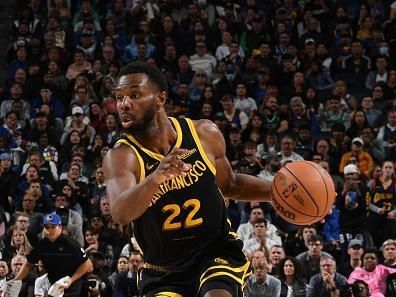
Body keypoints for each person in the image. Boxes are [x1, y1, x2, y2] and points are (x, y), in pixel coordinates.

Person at [103, 62, 279, 297]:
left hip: (214, 253)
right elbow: (121, 213)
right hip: (164, 269)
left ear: (160, 99)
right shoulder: (121, 156)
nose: (124, 104)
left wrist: (278, 193)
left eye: (135, 95)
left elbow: (231, 185)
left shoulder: (204, 133)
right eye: (119, 97)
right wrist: (156, 178)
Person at [12, 214, 93, 297]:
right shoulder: (41, 245)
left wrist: (71, 280)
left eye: (53, 227)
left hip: (71, 287)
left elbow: (87, 264)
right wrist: (15, 281)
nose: (50, 230)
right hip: (54, 286)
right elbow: (29, 264)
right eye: (47, 227)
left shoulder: (70, 244)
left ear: (60, 227)